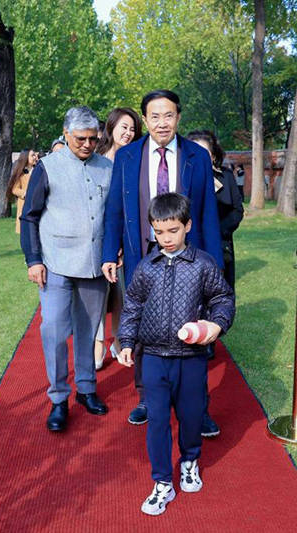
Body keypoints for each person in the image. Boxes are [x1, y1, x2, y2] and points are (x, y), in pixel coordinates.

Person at [101, 89, 223, 435]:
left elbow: (207, 213)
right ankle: (147, 398)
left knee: (192, 328)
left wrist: (213, 264)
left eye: (168, 115)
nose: (162, 123)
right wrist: (109, 252)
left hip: (189, 257)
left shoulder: (197, 157)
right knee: (142, 325)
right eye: (154, 116)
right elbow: (115, 208)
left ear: (178, 117)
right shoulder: (127, 156)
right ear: (145, 119)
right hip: (142, 255)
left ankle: (197, 406)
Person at [116, 192, 234, 516]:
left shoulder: (204, 265)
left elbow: (222, 299)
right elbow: (132, 306)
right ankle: (162, 482)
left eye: (173, 230)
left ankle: (190, 461)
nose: (166, 238)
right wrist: (126, 342)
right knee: (157, 420)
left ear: (187, 226)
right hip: (153, 357)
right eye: (159, 232)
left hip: (191, 358)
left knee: (191, 416)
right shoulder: (146, 267)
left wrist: (216, 325)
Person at [20, 106, 113, 432]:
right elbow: (29, 216)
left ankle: (86, 389)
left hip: (94, 265)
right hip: (55, 264)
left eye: (93, 139)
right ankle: (58, 397)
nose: (87, 144)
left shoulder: (108, 167)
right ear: (66, 134)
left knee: (89, 331)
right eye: (80, 139)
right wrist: (33, 260)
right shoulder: (47, 166)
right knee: (55, 332)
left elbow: (114, 214)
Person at [93, 107, 143, 371]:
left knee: (122, 294)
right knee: (98, 295)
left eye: (133, 129)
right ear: (110, 127)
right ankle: (98, 342)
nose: (128, 133)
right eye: (124, 127)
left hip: (125, 236)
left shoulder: (136, 160)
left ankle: (119, 339)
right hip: (94, 236)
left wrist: (121, 243)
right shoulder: (95, 159)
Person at [187, 130, 244, 290]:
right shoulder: (182, 179)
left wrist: (217, 231)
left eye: (204, 153)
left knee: (221, 293)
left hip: (221, 244)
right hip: (190, 245)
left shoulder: (226, 176)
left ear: (212, 156)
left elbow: (237, 210)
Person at [6, 150, 38, 235]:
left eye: (35, 155)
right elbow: (14, 189)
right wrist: (26, 193)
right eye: (32, 155)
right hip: (25, 206)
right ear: (26, 157)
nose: (35, 157)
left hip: (38, 206)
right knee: (26, 234)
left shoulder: (39, 170)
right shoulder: (20, 173)